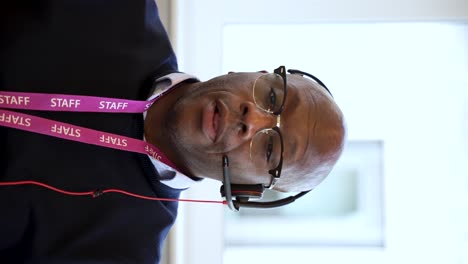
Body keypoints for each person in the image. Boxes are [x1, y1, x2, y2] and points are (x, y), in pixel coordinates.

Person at [0, 0, 346, 263]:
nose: (251, 119)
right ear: (251, 72)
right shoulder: (121, 9)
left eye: (271, 149)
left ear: (246, 190)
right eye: (271, 96)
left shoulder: (122, 253)